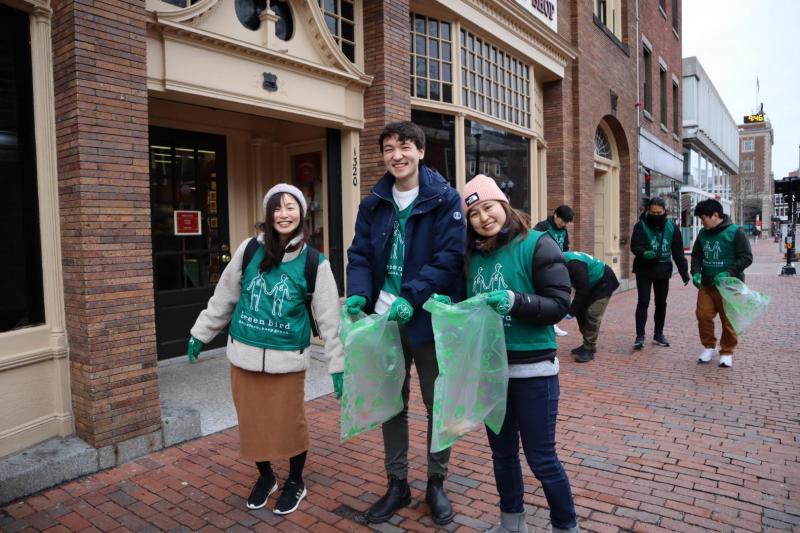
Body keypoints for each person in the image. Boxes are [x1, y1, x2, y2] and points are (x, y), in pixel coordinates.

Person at [187, 184, 344, 514]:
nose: (283, 214)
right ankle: (266, 476)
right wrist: (201, 333)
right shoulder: (248, 251)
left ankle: (295, 481)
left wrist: (338, 365)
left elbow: (330, 319)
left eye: (291, 207)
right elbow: (225, 297)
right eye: (277, 207)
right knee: (252, 423)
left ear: (301, 213)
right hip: (243, 355)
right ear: (267, 214)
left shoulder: (315, 262)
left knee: (290, 424)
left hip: (286, 360)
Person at [345, 121, 466, 525]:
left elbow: (449, 258)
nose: (397, 155)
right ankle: (397, 483)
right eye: (389, 148)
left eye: (405, 146)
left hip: (428, 317)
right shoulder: (374, 202)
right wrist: (360, 291)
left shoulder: (445, 200)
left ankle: (436, 482)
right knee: (390, 404)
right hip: (384, 319)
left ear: (421, 151)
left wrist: (410, 297)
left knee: (437, 404)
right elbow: (359, 253)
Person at [448, 174, 577, 533]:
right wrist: (451, 306)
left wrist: (516, 302)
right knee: (503, 456)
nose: (483, 218)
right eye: (473, 214)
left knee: (541, 457)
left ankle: (566, 525)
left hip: (534, 372)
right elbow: (469, 306)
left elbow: (559, 303)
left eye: (488, 207)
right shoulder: (471, 256)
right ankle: (511, 522)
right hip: (492, 373)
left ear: (504, 205)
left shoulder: (538, 244)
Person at [690, 199, 753, 368]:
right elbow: (696, 255)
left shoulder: (735, 232)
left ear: (715, 215)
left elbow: (746, 257)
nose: (702, 222)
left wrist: (728, 272)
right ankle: (709, 347)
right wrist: (695, 272)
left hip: (729, 286)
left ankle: (726, 351)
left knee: (728, 321)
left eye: (703, 219)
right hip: (707, 284)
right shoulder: (703, 234)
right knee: (703, 315)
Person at [629, 196, 690, 350]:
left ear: (665, 212)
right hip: (644, 269)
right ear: (648, 211)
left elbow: (678, 253)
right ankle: (640, 336)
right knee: (643, 301)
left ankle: (658, 334)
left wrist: (684, 274)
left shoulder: (672, 228)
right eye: (653, 212)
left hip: (663, 269)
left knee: (661, 304)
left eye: (659, 212)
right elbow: (635, 246)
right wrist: (644, 253)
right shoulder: (640, 226)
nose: (656, 215)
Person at [564, 251, 619, 363]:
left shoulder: (574, 264)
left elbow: (582, 291)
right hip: (589, 284)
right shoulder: (559, 263)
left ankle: (589, 349)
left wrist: (571, 311)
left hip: (604, 281)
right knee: (580, 311)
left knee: (592, 314)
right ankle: (587, 343)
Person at [534, 205, 574, 338]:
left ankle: (553, 324)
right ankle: (550, 325)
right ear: (555, 215)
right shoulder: (542, 227)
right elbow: (533, 244)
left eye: (566, 222)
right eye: (562, 221)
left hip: (558, 267)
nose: (563, 224)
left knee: (556, 295)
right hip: (544, 266)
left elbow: (565, 246)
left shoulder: (564, 229)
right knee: (546, 295)